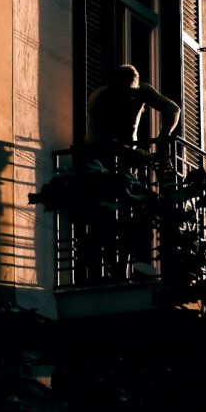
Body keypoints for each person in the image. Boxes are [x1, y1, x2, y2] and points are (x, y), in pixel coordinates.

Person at [75, 65, 180, 282]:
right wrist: (131, 151)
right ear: (114, 86)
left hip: (128, 163)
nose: (128, 97)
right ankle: (105, 270)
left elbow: (172, 109)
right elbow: (99, 139)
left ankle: (133, 268)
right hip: (98, 163)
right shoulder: (101, 98)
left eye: (131, 93)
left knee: (138, 216)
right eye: (124, 92)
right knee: (106, 218)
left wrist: (164, 135)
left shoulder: (141, 91)